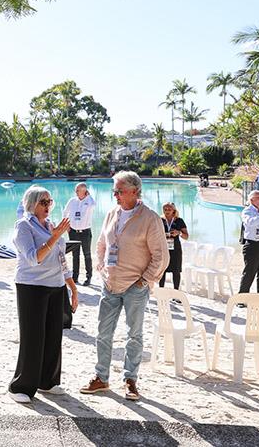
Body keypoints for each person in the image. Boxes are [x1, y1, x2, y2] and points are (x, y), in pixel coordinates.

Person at [80, 171, 168, 401]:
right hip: (109, 284)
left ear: (135, 191)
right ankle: (101, 378)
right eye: (114, 191)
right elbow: (101, 243)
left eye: (119, 191)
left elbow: (161, 256)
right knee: (103, 333)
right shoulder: (111, 213)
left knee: (134, 335)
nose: (115, 195)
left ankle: (131, 380)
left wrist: (145, 280)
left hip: (135, 287)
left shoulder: (149, 218)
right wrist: (101, 267)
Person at [8, 186, 77, 404]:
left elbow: (60, 259)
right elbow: (33, 258)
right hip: (32, 286)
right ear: (32, 203)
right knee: (33, 337)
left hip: (56, 286)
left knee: (52, 336)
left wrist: (73, 288)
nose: (48, 206)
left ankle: (47, 381)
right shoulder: (24, 226)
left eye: (50, 202)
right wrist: (55, 236)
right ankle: (20, 386)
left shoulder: (50, 225)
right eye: (43, 202)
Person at [62, 182, 96, 285]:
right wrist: (67, 226)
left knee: (87, 255)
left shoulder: (89, 202)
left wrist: (88, 195)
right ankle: (75, 277)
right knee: (75, 255)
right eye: (76, 190)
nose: (76, 192)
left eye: (78, 190)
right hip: (73, 232)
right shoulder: (72, 201)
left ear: (84, 191)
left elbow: (94, 204)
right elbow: (65, 213)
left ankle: (88, 277)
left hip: (85, 232)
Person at [238, 190, 259, 297]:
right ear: (252, 200)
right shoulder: (247, 211)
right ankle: (242, 298)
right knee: (250, 272)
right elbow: (250, 223)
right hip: (253, 245)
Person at [159, 202, 189, 290]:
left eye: (169, 209)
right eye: (165, 209)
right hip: (163, 249)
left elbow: (186, 236)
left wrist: (179, 233)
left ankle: (176, 293)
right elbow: (153, 234)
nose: (167, 211)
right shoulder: (160, 220)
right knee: (162, 270)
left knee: (176, 271)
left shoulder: (179, 221)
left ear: (174, 210)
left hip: (175, 249)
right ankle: (161, 291)